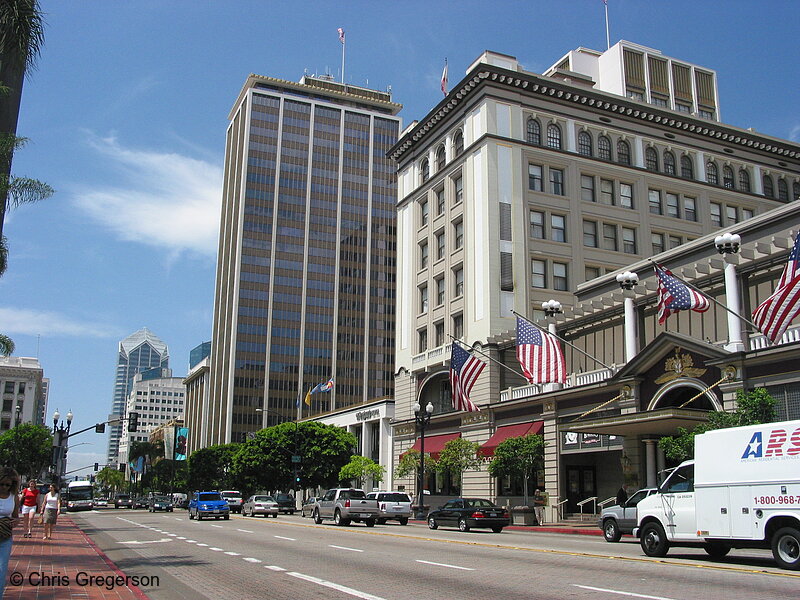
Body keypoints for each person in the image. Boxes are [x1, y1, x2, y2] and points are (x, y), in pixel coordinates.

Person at [0, 467, 20, 597]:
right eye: (1, 484)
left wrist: (16, 521)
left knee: (1, 570)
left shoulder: (14, 497)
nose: (4, 487)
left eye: (8, 485)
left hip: (5, 537)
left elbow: (16, 516)